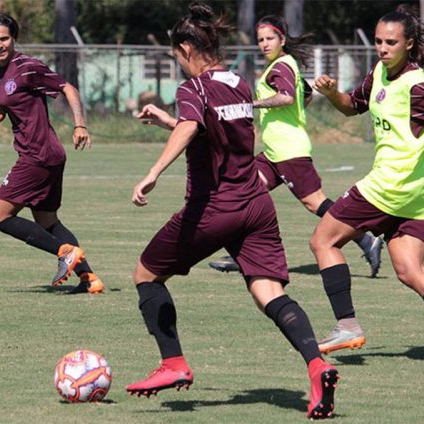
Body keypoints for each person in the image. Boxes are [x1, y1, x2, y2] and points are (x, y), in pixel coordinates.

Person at [127, 3, 337, 419]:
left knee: (145, 275)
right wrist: (170, 121)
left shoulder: (194, 88)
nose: (177, 63)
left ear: (187, 48)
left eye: (176, 54)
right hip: (256, 205)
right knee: (269, 293)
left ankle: (173, 363)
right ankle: (317, 365)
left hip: (215, 208)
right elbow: (214, 130)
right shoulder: (239, 83)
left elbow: (193, 126)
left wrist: (152, 172)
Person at [310, 5, 424, 368]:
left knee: (322, 241)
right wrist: (332, 95)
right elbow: (351, 106)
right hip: (416, 194)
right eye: (378, 41)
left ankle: (346, 325)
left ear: (409, 44)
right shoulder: (379, 72)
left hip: (387, 187)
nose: (382, 48)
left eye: (390, 42)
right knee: (410, 270)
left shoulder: (415, 85)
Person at [0, 7, 103, 295]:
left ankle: (64, 252)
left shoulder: (28, 66)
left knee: (0, 217)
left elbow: (68, 88)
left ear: (13, 38)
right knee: (48, 221)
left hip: (37, 156)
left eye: (4, 38)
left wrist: (80, 125)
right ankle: (89, 279)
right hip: (46, 156)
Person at [208, 15, 384, 277]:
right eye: (260, 40)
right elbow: (306, 95)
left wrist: (250, 105)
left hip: (289, 152)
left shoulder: (280, 66)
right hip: (274, 152)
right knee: (243, 193)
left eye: (270, 38)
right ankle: (245, 255)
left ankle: (365, 239)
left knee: (316, 204)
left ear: (282, 40)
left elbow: (288, 97)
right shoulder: (283, 65)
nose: (264, 44)